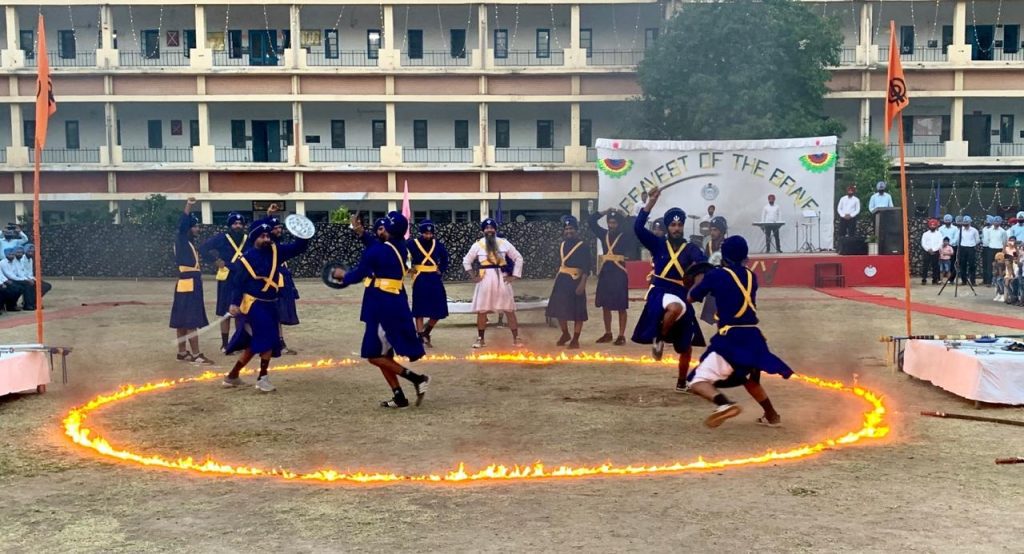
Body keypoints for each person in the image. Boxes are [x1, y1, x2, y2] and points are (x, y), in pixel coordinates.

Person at [685, 236, 794, 428]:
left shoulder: (716, 275)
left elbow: (691, 297)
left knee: (695, 381)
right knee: (748, 378)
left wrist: (699, 280)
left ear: (724, 256)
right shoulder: (752, 276)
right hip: (754, 337)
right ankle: (771, 415)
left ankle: (724, 404)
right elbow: (731, 288)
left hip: (732, 338)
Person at [328, 212, 431, 408]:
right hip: (394, 301)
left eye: (383, 228)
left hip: (381, 307)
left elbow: (358, 274)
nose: (379, 230)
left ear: (389, 230)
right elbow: (377, 245)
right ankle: (399, 397)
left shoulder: (377, 251)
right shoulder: (400, 246)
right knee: (385, 356)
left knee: (373, 354)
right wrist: (360, 232)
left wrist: (341, 275)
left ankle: (417, 379)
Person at [631, 186, 707, 391]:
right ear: (667, 227)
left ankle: (682, 382)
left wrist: (697, 287)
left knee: (686, 345)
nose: (676, 228)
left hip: (681, 293)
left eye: (679, 225)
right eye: (673, 225)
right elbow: (638, 227)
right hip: (660, 291)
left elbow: (702, 268)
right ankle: (659, 338)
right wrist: (651, 202)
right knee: (674, 308)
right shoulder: (657, 244)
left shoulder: (691, 249)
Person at [221, 219, 310, 392]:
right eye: (262, 236)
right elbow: (238, 284)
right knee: (267, 340)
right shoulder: (246, 259)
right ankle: (262, 378)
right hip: (254, 305)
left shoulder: (276, 251)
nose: (266, 239)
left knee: (256, 343)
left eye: (268, 235)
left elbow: (298, 248)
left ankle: (232, 376)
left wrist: (303, 234)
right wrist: (234, 303)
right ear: (254, 238)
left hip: (271, 304)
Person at [463, 218, 525, 349]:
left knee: (509, 309)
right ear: (483, 230)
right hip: (484, 280)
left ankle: (516, 338)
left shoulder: (504, 243)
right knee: (482, 310)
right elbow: (466, 261)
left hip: (502, 279)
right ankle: (480, 339)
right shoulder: (478, 245)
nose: (489, 230)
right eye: (487, 228)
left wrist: (514, 276)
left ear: (495, 230)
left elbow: (518, 258)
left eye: (491, 228)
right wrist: (473, 276)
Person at [169, 198, 213, 364]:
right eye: (195, 226)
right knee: (190, 320)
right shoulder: (181, 238)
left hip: (186, 283)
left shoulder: (187, 243)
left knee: (182, 320)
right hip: (189, 283)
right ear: (188, 228)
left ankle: (182, 352)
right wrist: (189, 205)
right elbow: (182, 223)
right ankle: (196, 354)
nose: (197, 229)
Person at [199, 212, 248, 352]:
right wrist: (215, 261)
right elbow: (203, 248)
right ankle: (225, 344)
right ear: (230, 225)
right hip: (227, 277)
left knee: (241, 311)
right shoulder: (221, 238)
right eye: (235, 223)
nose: (238, 226)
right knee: (225, 312)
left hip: (243, 277)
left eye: (240, 224)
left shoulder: (248, 239)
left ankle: (238, 342)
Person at [545, 215, 591, 349]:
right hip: (562, 281)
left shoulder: (583, 246)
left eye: (571, 228)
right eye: (566, 229)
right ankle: (565, 334)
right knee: (559, 310)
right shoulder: (562, 245)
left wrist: (583, 283)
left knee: (578, 312)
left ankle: (575, 339)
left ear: (576, 230)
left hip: (576, 281)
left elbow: (587, 267)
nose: (569, 231)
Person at [589, 208, 631, 345]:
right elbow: (591, 221)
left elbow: (635, 225)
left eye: (614, 223)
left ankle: (621, 335)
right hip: (606, 272)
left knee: (621, 305)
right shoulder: (603, 234)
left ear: (619, 223)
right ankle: (608, 333)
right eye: (610, 222)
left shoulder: (625, 235)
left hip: (619, 273)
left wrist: (624, 214)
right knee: (605, 305)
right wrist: (604, 212)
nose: (611, 225)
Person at [408, 219, 450, 347]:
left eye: (430, 234)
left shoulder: (438, 244)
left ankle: (426, 332)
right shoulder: (412, 244)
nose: (428, 236)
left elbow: (445, 258)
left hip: (434, 278)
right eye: (426, 233)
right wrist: (408, 268)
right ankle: (420, 336)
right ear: (421, 233)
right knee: (419, 309)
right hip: (420, 278)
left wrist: (441, 269)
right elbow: (403, 256)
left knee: (440, 308)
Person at [982, 216, 1007, 286]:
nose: (996, 223)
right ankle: (989, 282)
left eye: (998, 222)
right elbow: (987, 239)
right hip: (991, 248)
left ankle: (999, 282)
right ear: (993, 222)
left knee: (1000, 266)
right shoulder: (989, 230)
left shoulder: (1003, 231)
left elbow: (1004, 242)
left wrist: (1003, 251)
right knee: (989, 266)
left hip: (999, 249)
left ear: (1000, 223)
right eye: (995, 222)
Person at [919, 218, 942, 285]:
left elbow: (940, 243)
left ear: (936, 226)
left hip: (935, 252)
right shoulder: (925, 234)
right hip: (927, 252)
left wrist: (934, 249)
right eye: (931, 225)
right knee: (925, 266)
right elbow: (923, 243)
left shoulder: (939, 234)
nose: (932, 226)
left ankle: (935, 280)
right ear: (929, 226)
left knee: (935, 266)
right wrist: (928, 249)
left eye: (934, 225)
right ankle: (924, 279)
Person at [958, 215, 980, 285]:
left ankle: (972, 281)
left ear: (970, 222)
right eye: (964, 223)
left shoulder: (974, 230)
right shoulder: (960, 230)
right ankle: (964, 281)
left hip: (971, 248)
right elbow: (958, 239)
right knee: (962, 265)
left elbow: (977, 240)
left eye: (967, 223)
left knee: (972, 265)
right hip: (963, 248)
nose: (965, 224)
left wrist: (972, 244)